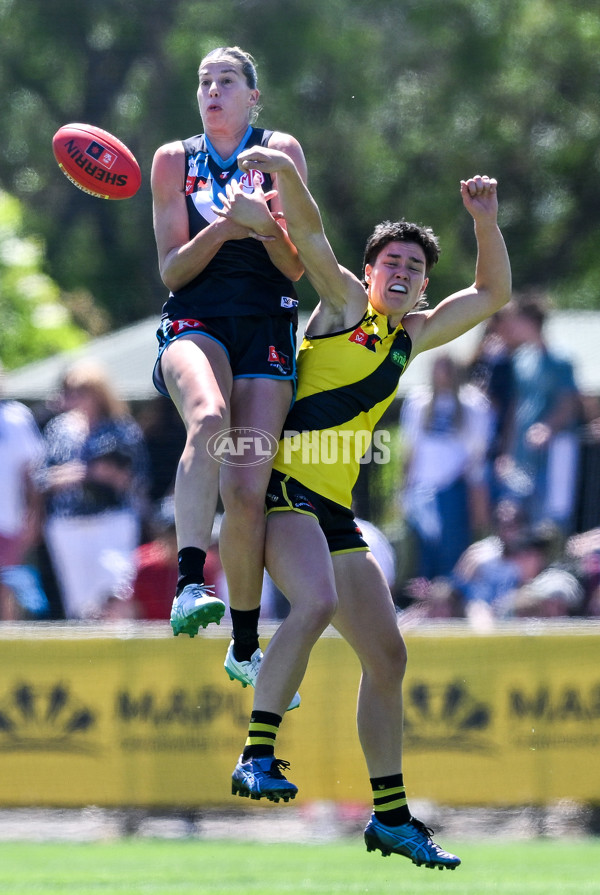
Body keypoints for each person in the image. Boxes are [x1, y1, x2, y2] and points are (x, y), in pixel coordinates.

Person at [224, 146, 511, 870]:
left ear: (421, 287)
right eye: (393, 261)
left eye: (415, 268)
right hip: (286, 488)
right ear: (371, 268)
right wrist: (288, 175)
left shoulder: (409, 338)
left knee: (388, 656)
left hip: (335, 510)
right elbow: (313, 240)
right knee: (314, 604)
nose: (403, 273)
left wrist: (485, 220)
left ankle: (391, 818)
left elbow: (491, 295)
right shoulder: (346, 304)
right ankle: (256, 752)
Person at [150, 46, 308, 664]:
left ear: (253, 96)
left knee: (246, 489)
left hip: (266, 321)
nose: (213, 90)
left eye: (227, 80)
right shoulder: (172, 160)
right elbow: (172, 270)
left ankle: (245, 646)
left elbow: (296, 265)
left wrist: (264, 225)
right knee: (209, 420)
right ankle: (190, 583)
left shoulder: (279, 152)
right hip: (196, 320)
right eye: (204, 81)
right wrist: (226, 225)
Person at [41, 360, 149, 619]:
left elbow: (137, 479)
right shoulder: (59, 429)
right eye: (69, 390)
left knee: (116, 590)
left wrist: (110, 475)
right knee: (79, 599)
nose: (73, 397)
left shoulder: (121, 428)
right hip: (68, 522)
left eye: (80, 390)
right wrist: (85, 473)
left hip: (112, 519)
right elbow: (42, 476)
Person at [493, 293, 582, 534]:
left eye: (516, 320)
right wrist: (506, 452)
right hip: (521, 454)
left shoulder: (560, 361)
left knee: (548, 523)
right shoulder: (520, 359)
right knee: (515, 518)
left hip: (550, 458)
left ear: (530, 322)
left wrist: (549, 427)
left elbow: (568, 403)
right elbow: (516, 408)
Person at [400, 353, 493, 579]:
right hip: (421, 489)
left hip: (454, 488)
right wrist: (404, 489)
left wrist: (476, 494)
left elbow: (477, 453)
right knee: (423, 551)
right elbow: (410, 449)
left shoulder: (474, 403)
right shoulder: (418, 401)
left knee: (452, 551)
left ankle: (450, 600)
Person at [0, 364, 48, 620]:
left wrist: (34, 515)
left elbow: (31, 475)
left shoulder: (16, 417)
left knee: (8, 586)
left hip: (8, 521)